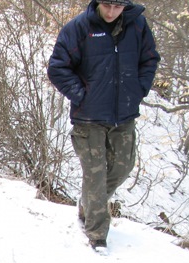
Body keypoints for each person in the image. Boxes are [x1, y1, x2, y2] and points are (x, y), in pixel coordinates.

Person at [47, 0, 160, 249]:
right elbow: (57, 67)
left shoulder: (137, 25)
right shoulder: (79, 27)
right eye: (107, 6)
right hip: (88, 118)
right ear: (98, 3)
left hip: (125, 114)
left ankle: (88, 203)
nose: (111, 12)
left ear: (125, 6)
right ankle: (97, 235)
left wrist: (138, 89)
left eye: (117, 7)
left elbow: (150, 59)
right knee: (95, 176)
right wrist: (82, 96)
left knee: (123, 167)